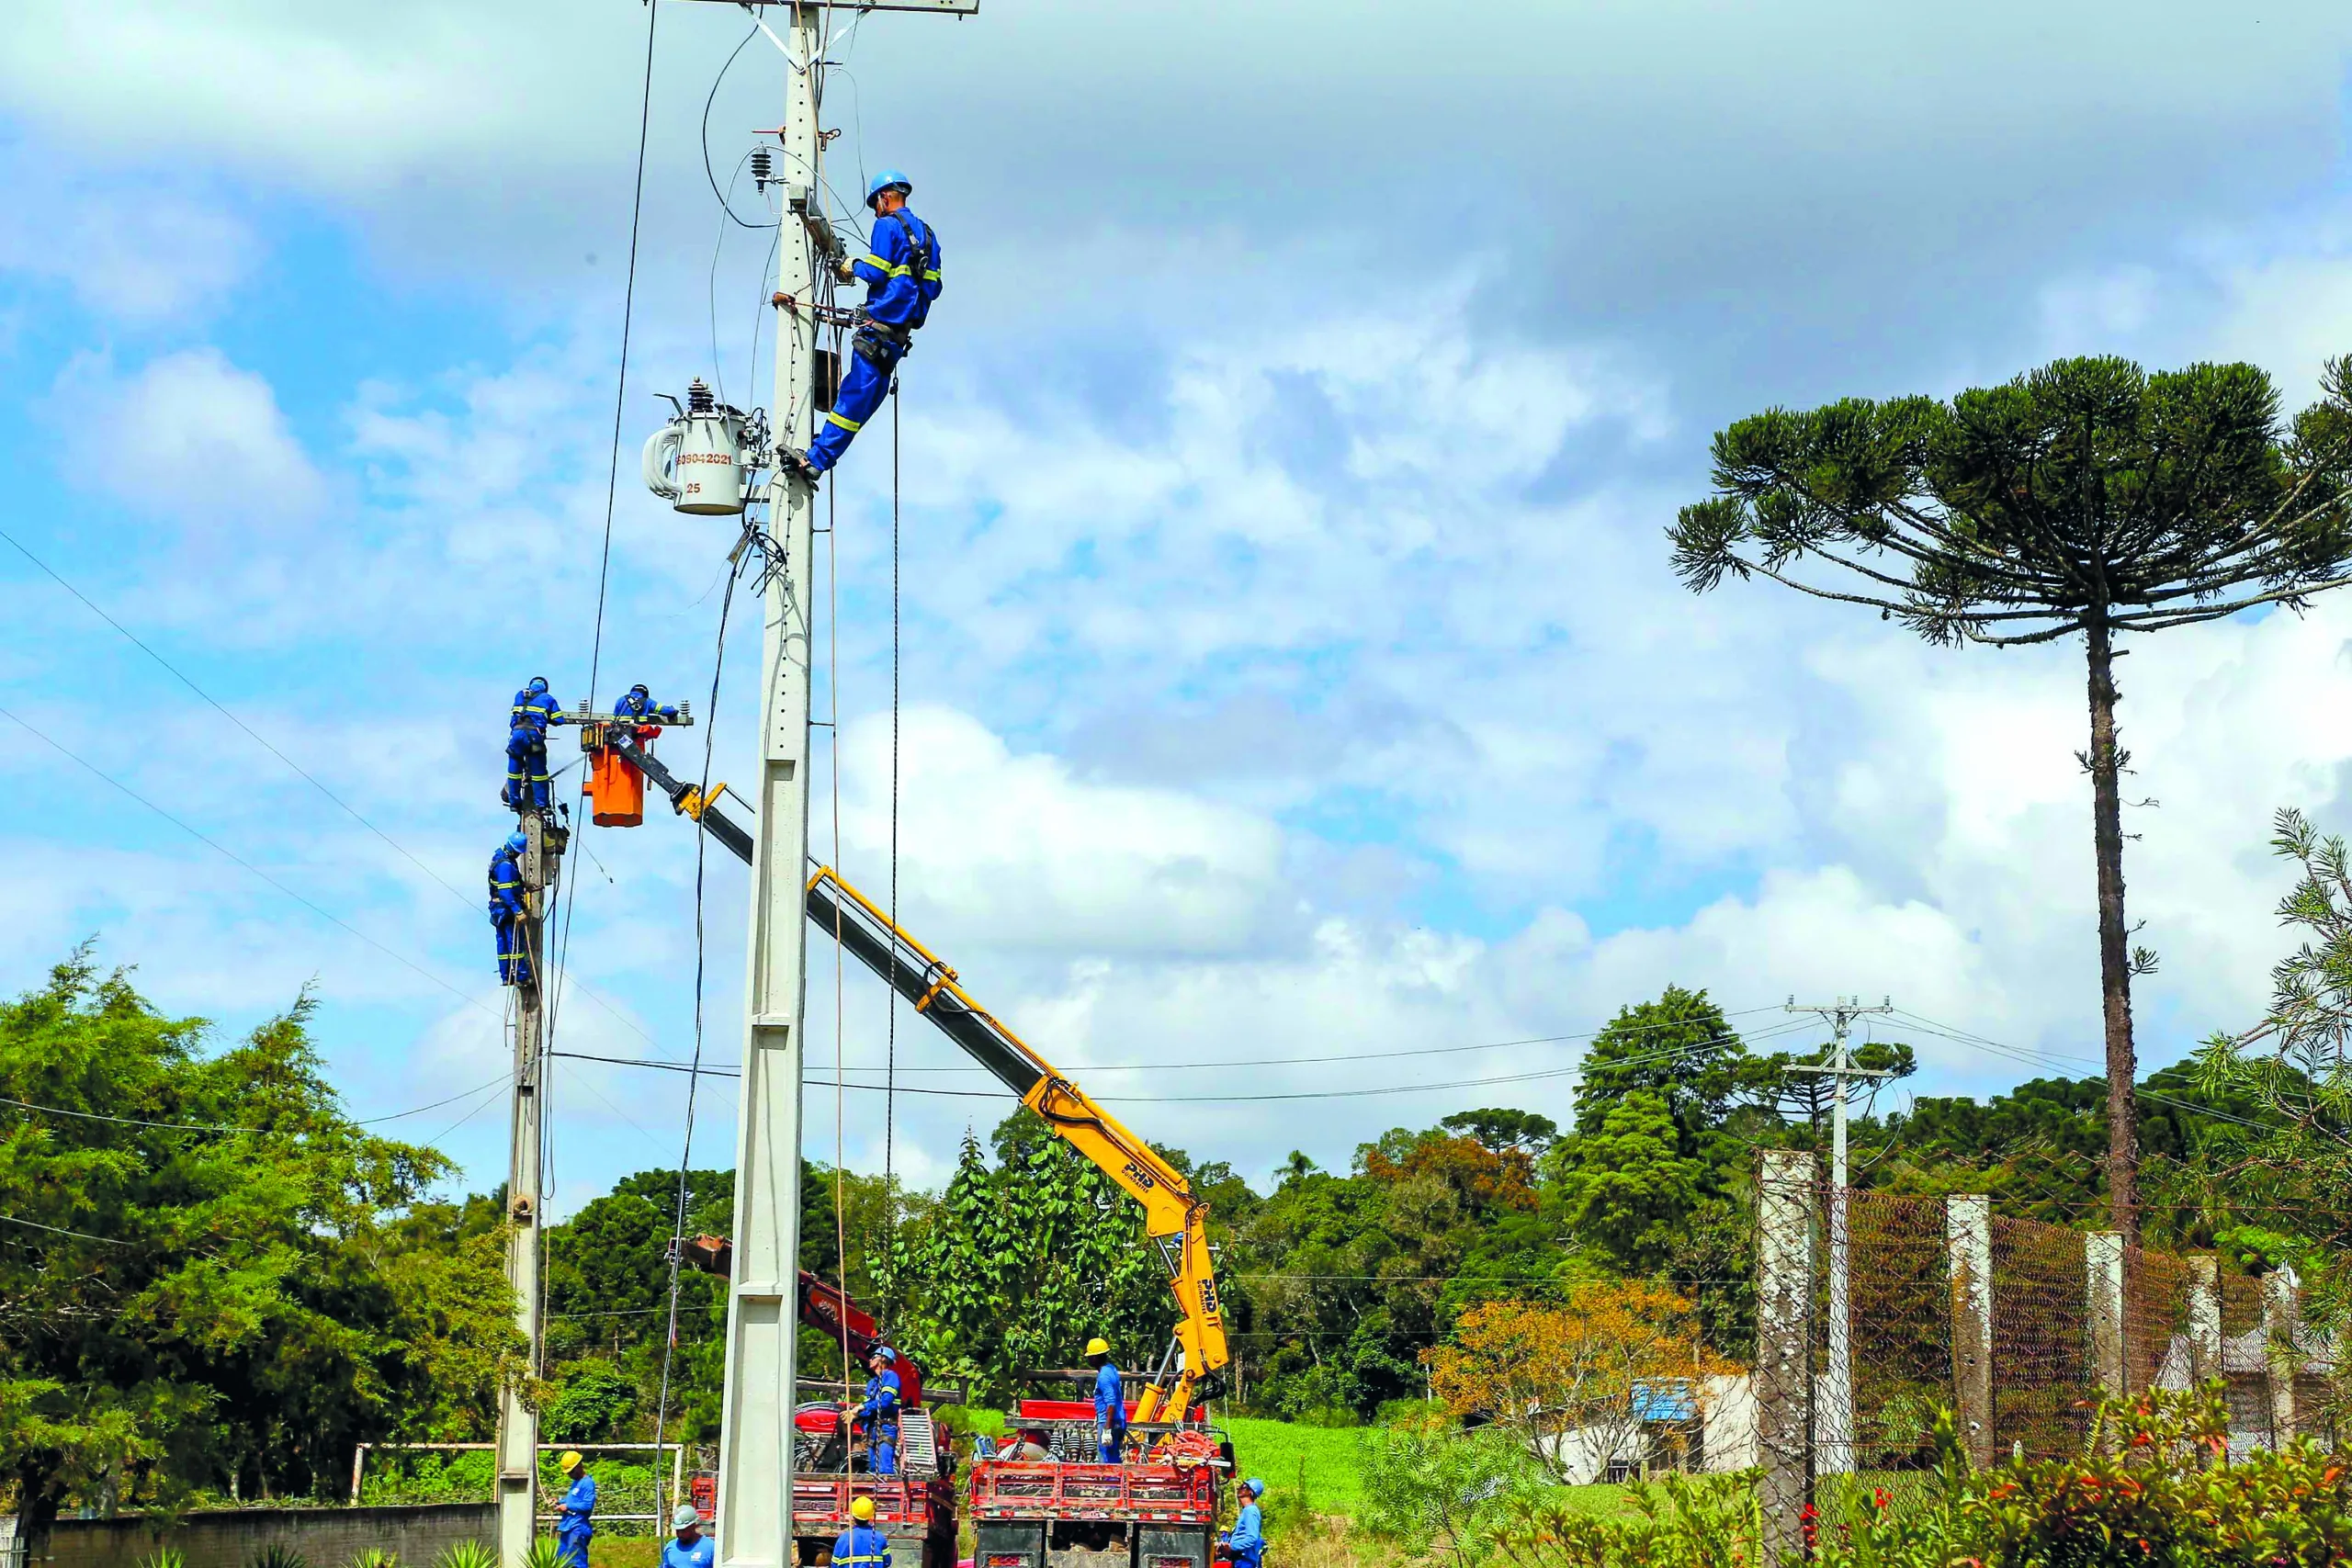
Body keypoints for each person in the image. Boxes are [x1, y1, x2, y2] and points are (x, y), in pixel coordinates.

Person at [779, 169, 943, 486]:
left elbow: (877, 271)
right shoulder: (929, 235)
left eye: (875, 203)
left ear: (884, 197)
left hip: (878, 330)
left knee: (851, 403)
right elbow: (933, 288)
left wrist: (851, 265)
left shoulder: (887, 225)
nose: (875, 210)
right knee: (859, 410)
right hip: (897, 339)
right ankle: (820, 456)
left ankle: (816, 458)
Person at [506, 677, 571, 810]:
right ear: (545, 688)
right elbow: (558, 720)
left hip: (516, 735)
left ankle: (514, 803)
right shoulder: (548, 698)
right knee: (539, 773)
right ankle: (542, 805)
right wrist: (546, 719)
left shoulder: (520, 695)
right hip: (533, 737)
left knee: (514, 771)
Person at [853, 1346, 903, 1475]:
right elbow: (869, 1406)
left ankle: (886, 1493)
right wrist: (856, 1414)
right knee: (873, 1468)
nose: (870, 1360)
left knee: (884, 1468)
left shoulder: (891, 1377)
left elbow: (885, 1402)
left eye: (873, 1357)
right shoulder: (872, 1383)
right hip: (872, 1428)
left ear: (882, 1359)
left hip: (886, 1427)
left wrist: (862, 1406)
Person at [489, 831, 531, 986]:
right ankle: (521, 976)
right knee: (514, 943)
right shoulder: (505, 865)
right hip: (506, 908)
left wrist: (522, 885)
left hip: (498, 908)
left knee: (504, 944)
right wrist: (518, 911)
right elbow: (506, 892)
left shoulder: (500, 857)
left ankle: (506, 976)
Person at [1086, 1337, 1126, 1463]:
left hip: (1109, 1422)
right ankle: (1115, 1483)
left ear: (1095, 1358)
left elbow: (1111, 1403)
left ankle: (1108, 1483)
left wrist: (1107, 1430)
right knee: (1114, 1459)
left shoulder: (1104, 1376)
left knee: (1106, 1461)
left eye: (1090, 1356)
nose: (1088, 1359)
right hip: (1119, 1420)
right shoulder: (1111, 1369)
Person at [553, 1451, 595, 1568]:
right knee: (562, 1561)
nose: (570, 1475)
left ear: (579, 1466)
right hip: (568, 1527)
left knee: (576, 1563)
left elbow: (587, 1505)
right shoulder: (576, 1483)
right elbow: (573, 1500)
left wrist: (567, 1506)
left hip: (578, 1527)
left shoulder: (587, 1483)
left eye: (571, 1471)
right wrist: (559, 1501)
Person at [832, 1494, 891, 1568]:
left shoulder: (844, 1538)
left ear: (853, 1516)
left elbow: (834, 1565)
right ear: (870, 1515)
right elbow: (888, 1562)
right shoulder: (879, 1537)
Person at [1221, 1478, 1266, 1568]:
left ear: (1250, 1492)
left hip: (1245, 1561)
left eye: (1243, 1487)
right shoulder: (1247, 1511)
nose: (1240, 1488)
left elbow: (1252, 1537)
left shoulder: (1251, 1511)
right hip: (1241, 1560)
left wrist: (1232, 1546)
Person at [662, 1504, 717, 1568]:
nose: (680, 1534)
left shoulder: (711, 1547)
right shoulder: (670, 1547)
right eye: (677, 1530)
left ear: (694, 1525)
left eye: (683, 1530)